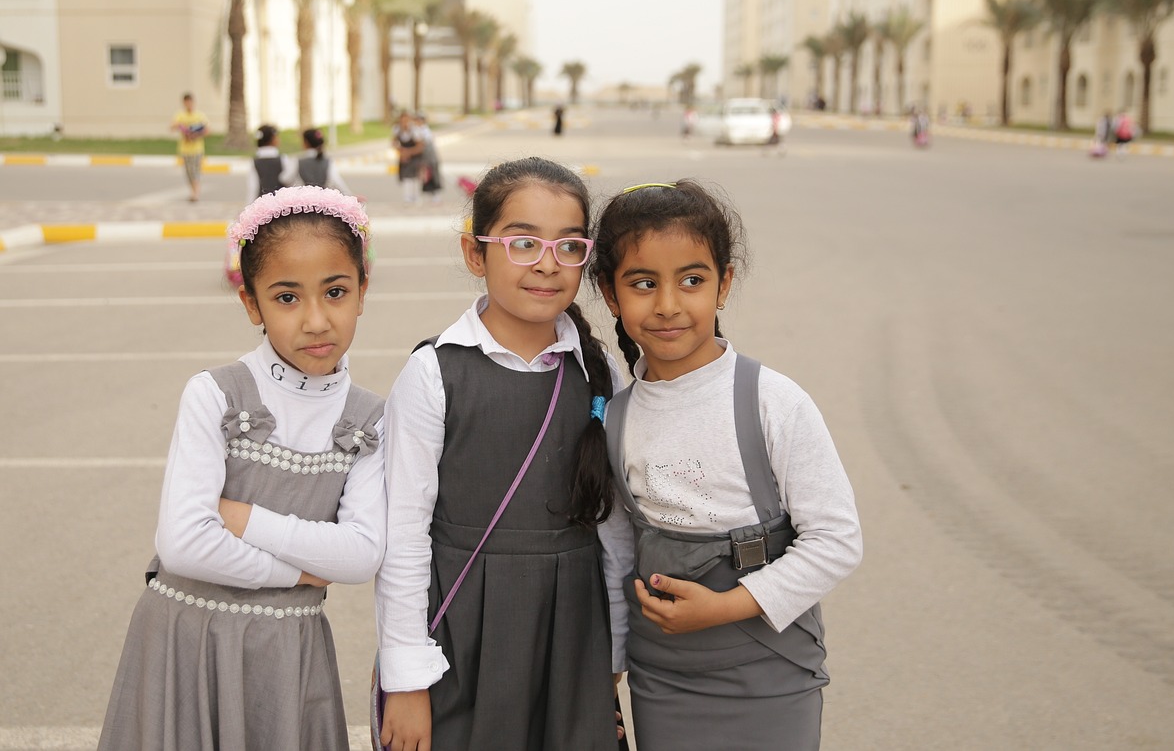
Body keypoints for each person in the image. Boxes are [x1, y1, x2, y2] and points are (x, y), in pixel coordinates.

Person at [97, 186, 386, 751]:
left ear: (361, 291)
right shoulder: (215, 395)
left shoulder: (370, 419)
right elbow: (182, 546)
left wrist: (242, 517)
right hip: (186, 640)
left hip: (288, 652)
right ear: (251, 303)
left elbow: (360, 554)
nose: (316, 319)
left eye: (335, 291)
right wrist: (299, 573)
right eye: (286, 298)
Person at [590, 180, 863, 751]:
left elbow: (836, 539)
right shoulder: (616, 417)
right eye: (643, 284)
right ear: (610, 295)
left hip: (769, 668)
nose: (668, 304)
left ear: (724, 284)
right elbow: (619, 552)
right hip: (662, 676)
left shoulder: (772, 402)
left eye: (692, 280)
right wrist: (614, 661)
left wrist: (725, 607)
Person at [374, 156, 625, 750]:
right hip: (462, 634)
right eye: (522, 243)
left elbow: (612, 529)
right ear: (474, 253)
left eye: (569, 246)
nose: (546, 264)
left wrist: (614, 649)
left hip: (572, 632)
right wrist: (405, 679)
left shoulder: (599, 371)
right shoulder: (434, 372)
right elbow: (404, 535)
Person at [170, 92, 209, 203]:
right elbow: (172, 126)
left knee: (195, 171)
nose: (189, 104)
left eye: (190, 102)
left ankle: (195, 193)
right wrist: (180, 127)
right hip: (185, 149)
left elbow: (207, 130)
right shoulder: (180, 115)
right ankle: (193, 191)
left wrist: (196, 134)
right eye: (186, 102)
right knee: (188, 172)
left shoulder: (199, 115)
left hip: (197, 149)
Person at [298, 128, 358, 198]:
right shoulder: (327, 162)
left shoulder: (298, 162)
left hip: (304, 203)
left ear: (306, 143)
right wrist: (351, 196)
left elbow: (286, 179)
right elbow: (337, 183)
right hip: (323, 202)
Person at [245, 124, 298, 204]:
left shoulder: (254, 161)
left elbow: (253, 187)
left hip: (262, 204)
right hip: (280, 203)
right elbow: (287, 179)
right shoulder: (283, 159)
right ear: (273, 139)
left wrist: (249, 206)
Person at [392, 110, 425, 204]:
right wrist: (401, 152)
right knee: (406, 176)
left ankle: (416, 196)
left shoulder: (415, 130)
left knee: (415, 176)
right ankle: (407, 196)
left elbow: (420, 146)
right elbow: (394, 142)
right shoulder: (397, 129)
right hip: (404, 156)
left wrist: (409, 152)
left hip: (415, 155)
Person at [414, 112, 444, 203]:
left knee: (434, 175)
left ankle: (436, 195)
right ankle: (428, 195)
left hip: (431, 157)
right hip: (424, 158)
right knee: (426, 177)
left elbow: (424, 143)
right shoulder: (417, 130)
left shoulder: (425, 131)